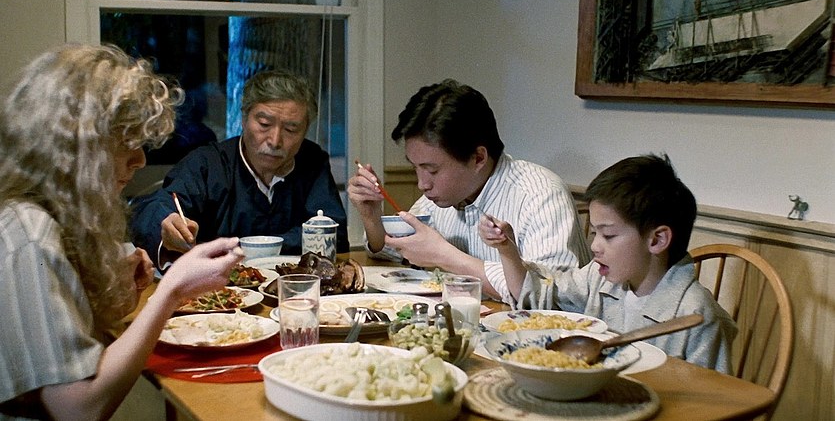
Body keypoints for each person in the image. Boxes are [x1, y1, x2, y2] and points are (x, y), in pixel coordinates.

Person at [0, 44, 244, 419]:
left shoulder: (51, 217)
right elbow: (80, 409)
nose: (140, 159)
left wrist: (114, 296)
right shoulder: (30, 233)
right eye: (126, 141)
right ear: (73, 146)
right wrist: (171, 290)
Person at [482, 154, 737, 373]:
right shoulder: (598, 277)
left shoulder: (697, 314)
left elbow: (717, 397)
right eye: (594, 233)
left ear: (657, 239)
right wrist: (507, 250)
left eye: (609, 235)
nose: (595, 246)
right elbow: (539, 297)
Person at [348, 79, 590, 306]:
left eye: (432, 170)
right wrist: (371, 217)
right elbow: (392, 251)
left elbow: (553, 296)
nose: (422, 184)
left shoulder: (540, 195)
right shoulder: (437, 199)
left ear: (478, 158)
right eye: (415, 168)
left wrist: (445, 256)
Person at [130, 69, 349, 269]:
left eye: (291, 129)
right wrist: (166, 221)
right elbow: (153, 208)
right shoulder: (208, 163)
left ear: (306, 129)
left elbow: (333, 232)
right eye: (264, 124)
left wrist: (249, 248)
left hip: (293, 289)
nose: (275, 141)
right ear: (243, 119)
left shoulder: (311, 161)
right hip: (216, 288)